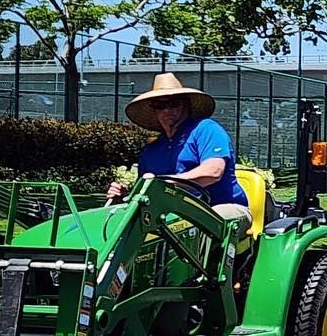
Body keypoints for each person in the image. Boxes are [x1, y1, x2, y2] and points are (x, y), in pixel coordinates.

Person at [106, 72, 251, 225]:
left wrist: (164, 183)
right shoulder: (151, 151)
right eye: (160, 105)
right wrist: (123, 197)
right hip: (174, 216)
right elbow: (147, 194)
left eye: (174, 103)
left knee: (200, 225)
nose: (167, 110)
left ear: (186, 105)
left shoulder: (206, 129)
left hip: (224, 208)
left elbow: (213, 172)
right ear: (154, 111)